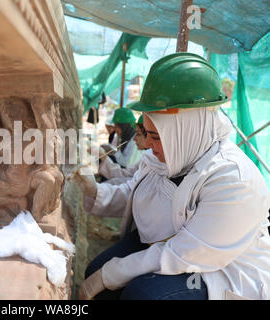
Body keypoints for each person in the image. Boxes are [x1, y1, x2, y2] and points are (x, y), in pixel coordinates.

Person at [73, 52, 270, 300]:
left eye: (156, 136)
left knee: (143, 295)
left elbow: (186, 253)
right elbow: (135, 191)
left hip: (218, 267)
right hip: (159, 242)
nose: (149, 145)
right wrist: (96, 191)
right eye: (150, 134)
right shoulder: (169, 153)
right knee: (95, 271)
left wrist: (114, 272)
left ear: (186, 128)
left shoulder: (234, 180)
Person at [99, 115, 149, 185]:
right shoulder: (147, 159)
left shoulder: (134, 145)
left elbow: (127, 165)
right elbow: (124, 174)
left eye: (138, 134)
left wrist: (111, 153)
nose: (134, 139)